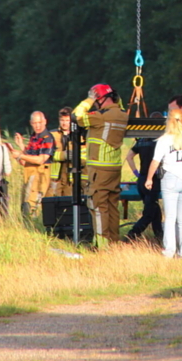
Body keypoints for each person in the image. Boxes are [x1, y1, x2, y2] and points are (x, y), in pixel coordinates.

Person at [74, 83, 128, 246]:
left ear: (101, 99)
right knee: (112, 206)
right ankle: (113, 242)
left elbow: (76, 116)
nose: (96, 104)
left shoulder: (100, 116)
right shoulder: (122, 114)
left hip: (99, 168)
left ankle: (102, 245)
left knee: (98, 206)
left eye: (97, 100)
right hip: (114, 168)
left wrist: (89, 99)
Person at [145, 108, 182, 258]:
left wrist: (149, 178)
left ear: (168, 121)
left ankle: (170, 250)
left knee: (170, 218)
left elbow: (155, 161)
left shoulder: (165, 139)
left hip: (170, 178)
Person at [125, 131, 163, 242]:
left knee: (154, 208)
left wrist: (136, 173)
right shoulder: (160, 142)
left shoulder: (142, 141)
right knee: (149, 213)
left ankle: (159, 235)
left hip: (142, 179)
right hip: (153, 180)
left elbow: (129, 157)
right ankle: (132, 235)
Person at [16, 111, 55, 217]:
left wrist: (20, 156)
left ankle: (33, 226)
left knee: (33, 204)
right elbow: (29, 156)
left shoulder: (47, 138)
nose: (38, 126)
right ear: (31, 123)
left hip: (40, 172)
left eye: (40, 122)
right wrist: (20, 146)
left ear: (45, 122)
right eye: (35, 123)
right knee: (25, 203)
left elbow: (41, 160)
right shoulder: (34, 137)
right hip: (29, 172)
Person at [49, 107, 74, 197]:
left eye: (67, 120)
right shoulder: (52, 135)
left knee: (69, 204)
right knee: (54, 202)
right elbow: (47, 154)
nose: (64, 123)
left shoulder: (78, 135)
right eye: (62, 120)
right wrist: (62, 155)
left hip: (71, 178)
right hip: (55, 178)